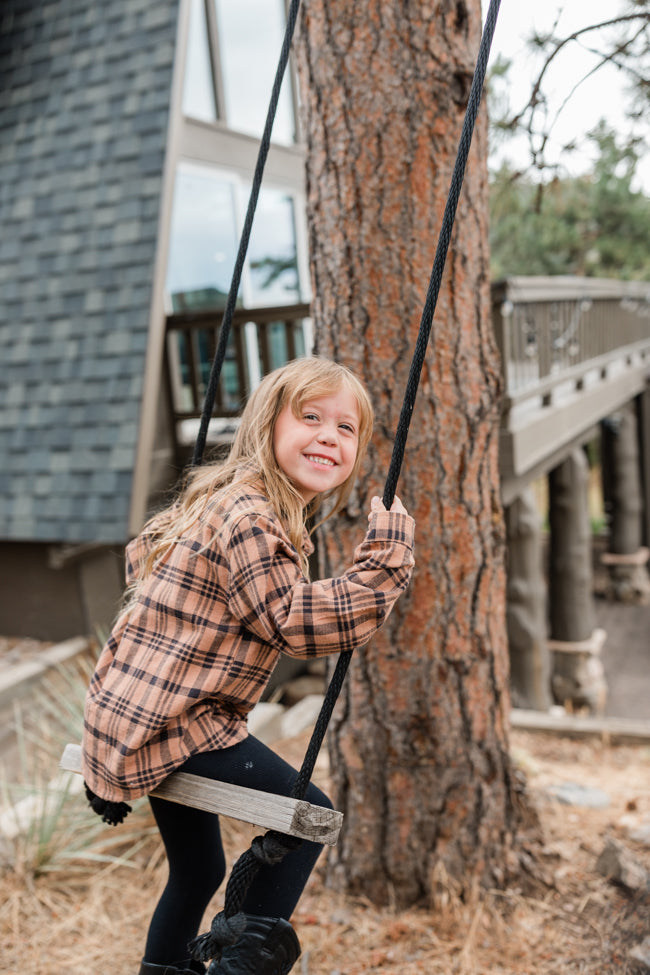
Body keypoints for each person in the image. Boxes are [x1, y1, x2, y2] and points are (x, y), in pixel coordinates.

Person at [81, 357, 415, 975]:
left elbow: (143, 562)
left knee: (199, 869)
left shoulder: (228, 499)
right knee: (309, 816)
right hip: (176, 721)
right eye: (310, 417)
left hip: (129, 712)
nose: (328, 436)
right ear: (267, 425)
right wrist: (384, 567)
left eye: (346, 429)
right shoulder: (253, 515)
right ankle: (242, 962)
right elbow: (288, 620)